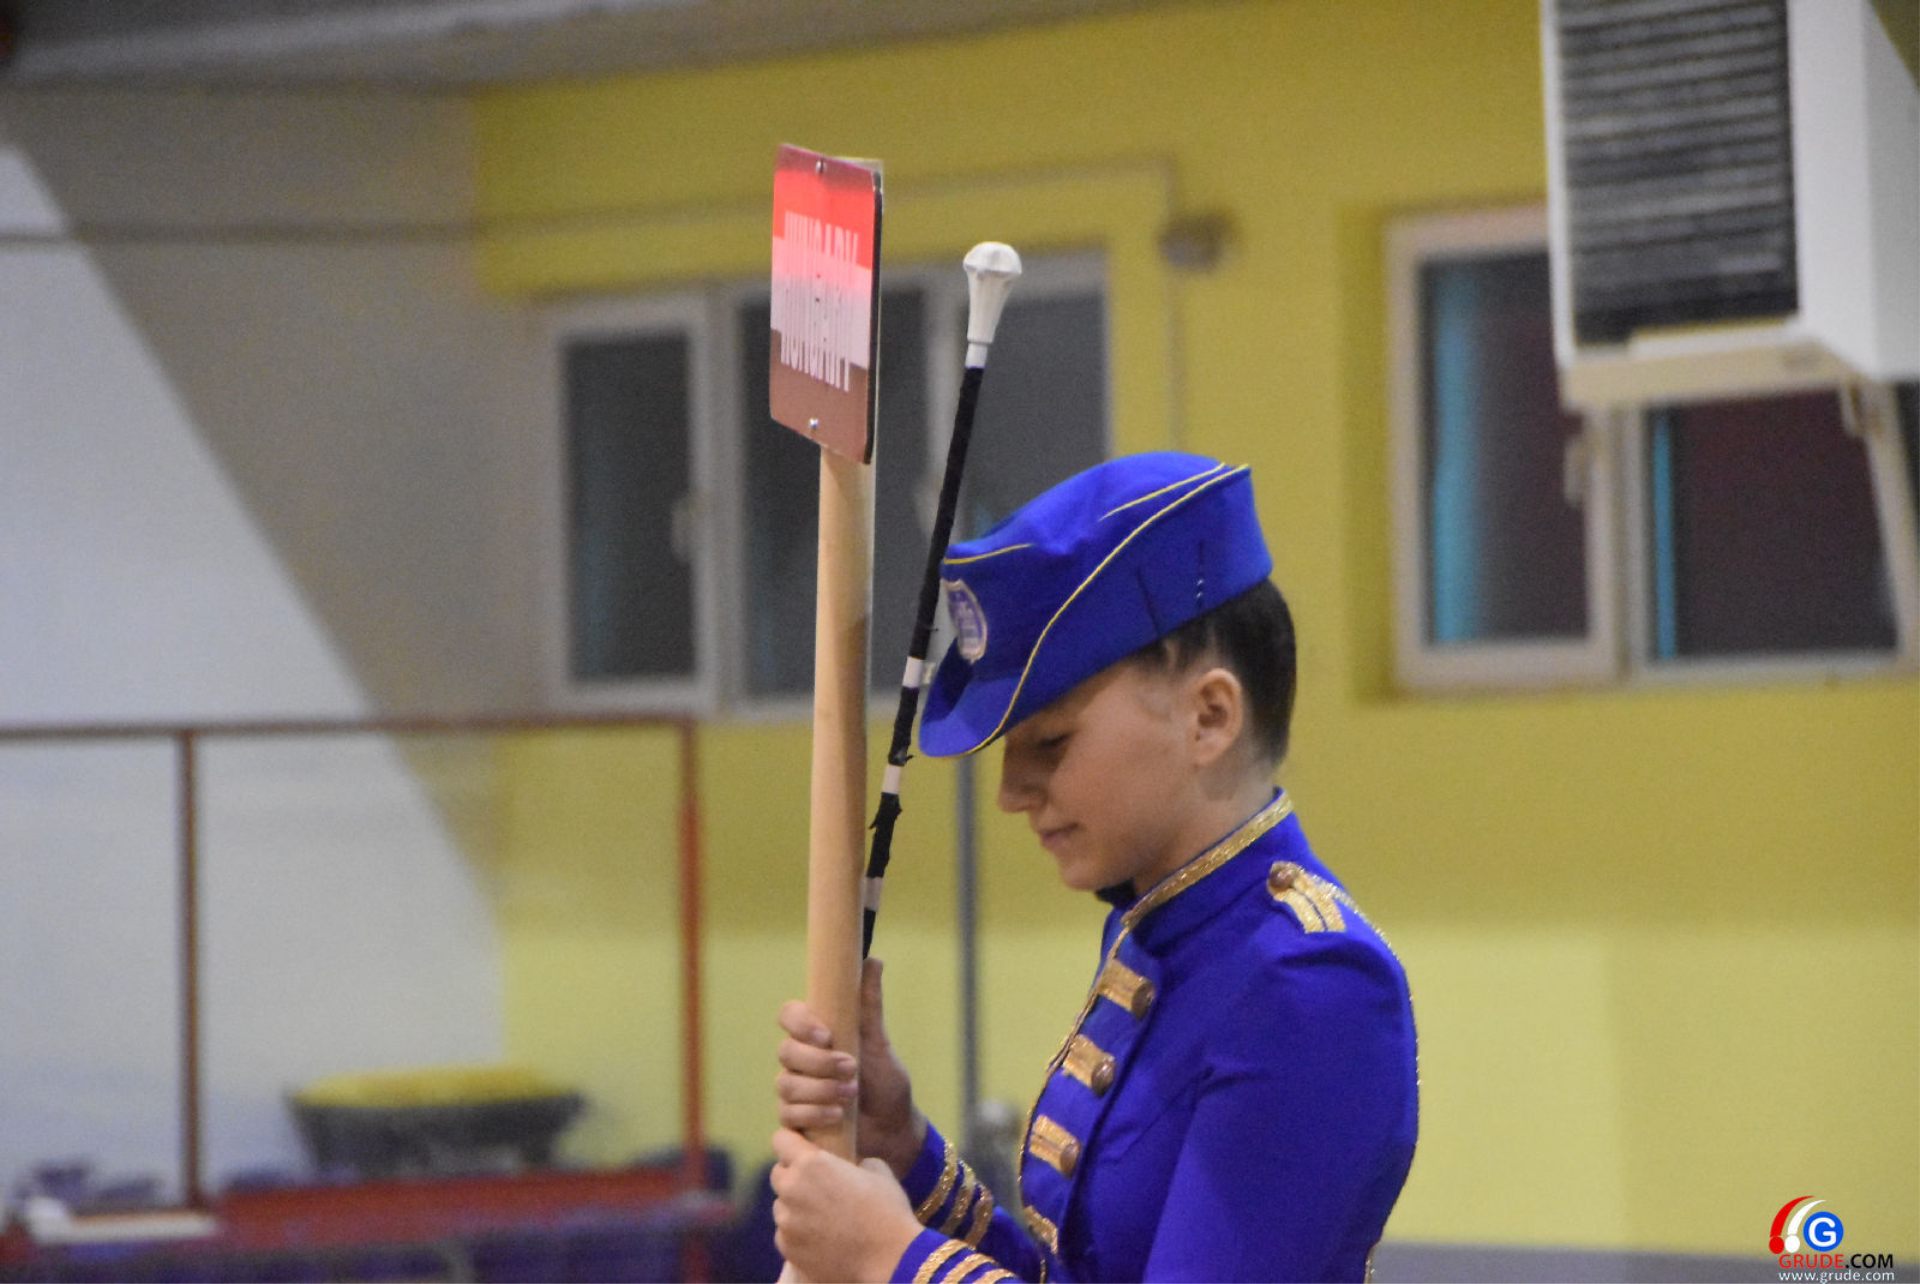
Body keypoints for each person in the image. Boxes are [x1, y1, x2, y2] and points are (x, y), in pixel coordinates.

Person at [770, 453, 1419, 1284]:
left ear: (1209, 717)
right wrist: (905, 1151)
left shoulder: (1309, 987)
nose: (1011, 794)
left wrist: (890, 1258)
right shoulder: (1157, 931)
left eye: (1051, 744)